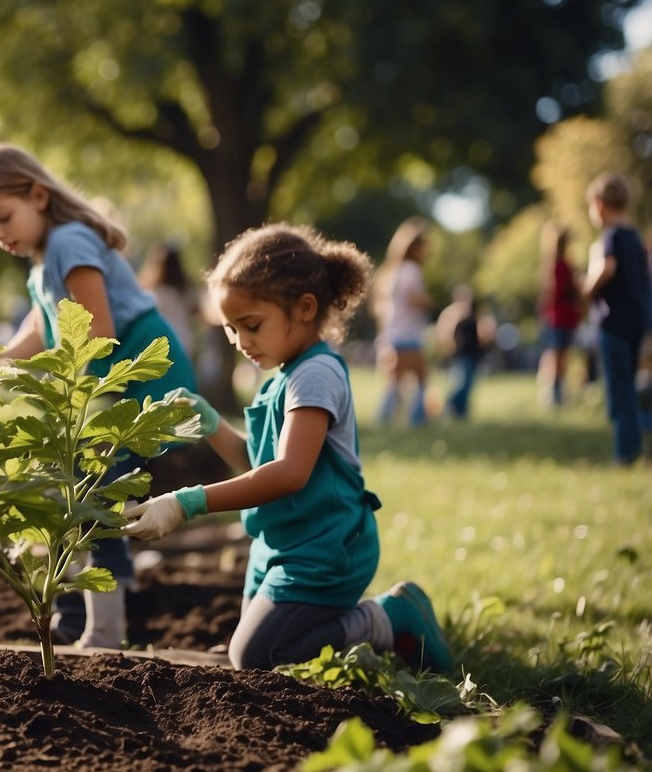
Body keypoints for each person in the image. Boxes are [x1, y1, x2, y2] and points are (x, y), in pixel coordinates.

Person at [122, 223, 453, 675]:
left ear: (304, 308)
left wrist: (188, 502)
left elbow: (289, 473)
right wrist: (210, 423)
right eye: (232, 330)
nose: (241, 342)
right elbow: (257, 462)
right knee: (250, 657)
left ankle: (387, 619)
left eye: (251, 325)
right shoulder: (281, 374)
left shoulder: (314, 375)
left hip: (326, 548)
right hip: (280, 543)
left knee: (256, 657)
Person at [0, 142, 199, 649]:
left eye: (2, 217)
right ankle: (85, 609)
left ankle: (105, 631)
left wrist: (47, 385)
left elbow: (97, 331)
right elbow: (41, 330)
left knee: (89, 494)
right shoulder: (44, 258)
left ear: (38, 194)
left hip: (146, 378)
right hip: (116, 383)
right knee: (84, 489)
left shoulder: (69, 242)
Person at [582, 172, 650, 466]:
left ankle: (625, 453)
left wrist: (587, 287)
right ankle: (634, 447)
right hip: (636, 322)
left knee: (618, 390)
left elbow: (607, 269)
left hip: (613, 324)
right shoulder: (635, 237)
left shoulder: (610, 237)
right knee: (630, 386)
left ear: (599, 205)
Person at [372, 218, 433, 426]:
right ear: (415, 248)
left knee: (394, 381)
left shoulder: (390, 271)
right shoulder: (411, 270)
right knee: (421, 377)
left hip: (391, 333)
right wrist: (429, 301)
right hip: (407, 334)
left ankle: (384, 418)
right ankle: (417, 418)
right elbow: (413, 297)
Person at [536, 225, 583, 407]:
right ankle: (554, 394)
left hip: (559, 317)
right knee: (557, 357)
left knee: (558, 356)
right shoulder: (561, 266)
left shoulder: (558, 266)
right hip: (560, 317)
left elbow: (550, 294)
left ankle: (556, 394)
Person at [435, 284, 493, 420]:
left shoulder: (475, 312)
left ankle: (462, 414)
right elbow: (443, 332)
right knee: (461, 383)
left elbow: (484, 331)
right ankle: (449, 407)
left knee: (469, 384)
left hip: (473, 353)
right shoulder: (452, 313)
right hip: (459, 354)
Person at [138, 242, 200, 358]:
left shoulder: (153, 291)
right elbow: (196, 311)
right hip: (185, 341)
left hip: (160, 343)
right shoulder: (186, 288)